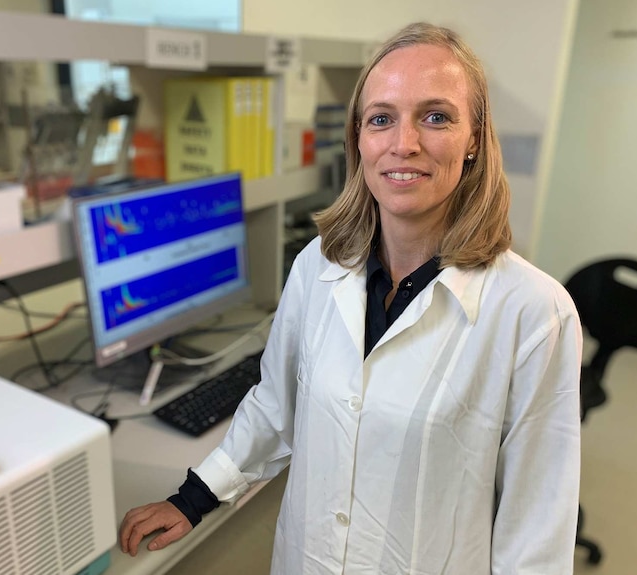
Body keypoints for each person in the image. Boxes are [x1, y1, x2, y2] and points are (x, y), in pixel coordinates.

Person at [120, 21, 582, 574]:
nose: (403, 143)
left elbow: (536, 527)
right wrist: (192, 499)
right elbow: (276, 404)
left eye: (436, 117)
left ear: (475, 139)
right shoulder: (317, 266)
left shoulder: (533, 312)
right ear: (359, 140)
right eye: (381, 119)